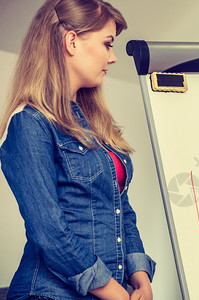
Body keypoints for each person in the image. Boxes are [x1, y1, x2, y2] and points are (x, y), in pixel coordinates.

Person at [0, 0, 155, 299]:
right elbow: (49, 233)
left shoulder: (94, 124)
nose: (113, 58)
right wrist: (118, 294)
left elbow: (121, 209)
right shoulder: (29, 123)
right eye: (107, 44)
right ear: (71, 41)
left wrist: (140, 278)